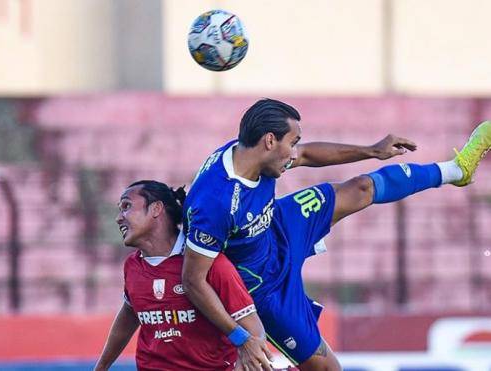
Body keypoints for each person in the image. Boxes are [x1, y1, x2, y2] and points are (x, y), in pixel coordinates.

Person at [181, 98, 491, 370]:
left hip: (279, 226)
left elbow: (306, 156)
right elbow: (194, 280)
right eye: (292, 141)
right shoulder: (217, 202)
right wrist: (240, 336)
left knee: (361, 188)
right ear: (270, 141)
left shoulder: (252, 154)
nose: (294, 151)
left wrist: (372, 151)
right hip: (262, 289)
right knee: (327, 368)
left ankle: (456, 170)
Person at [94, 180, 271, 371]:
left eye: (126, 206)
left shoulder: (207, 263)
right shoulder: (132, 266)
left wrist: (245, 360)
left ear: (156, 209)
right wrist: (101, 367)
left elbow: (255, 330)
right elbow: (129, 313)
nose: (118, 218)